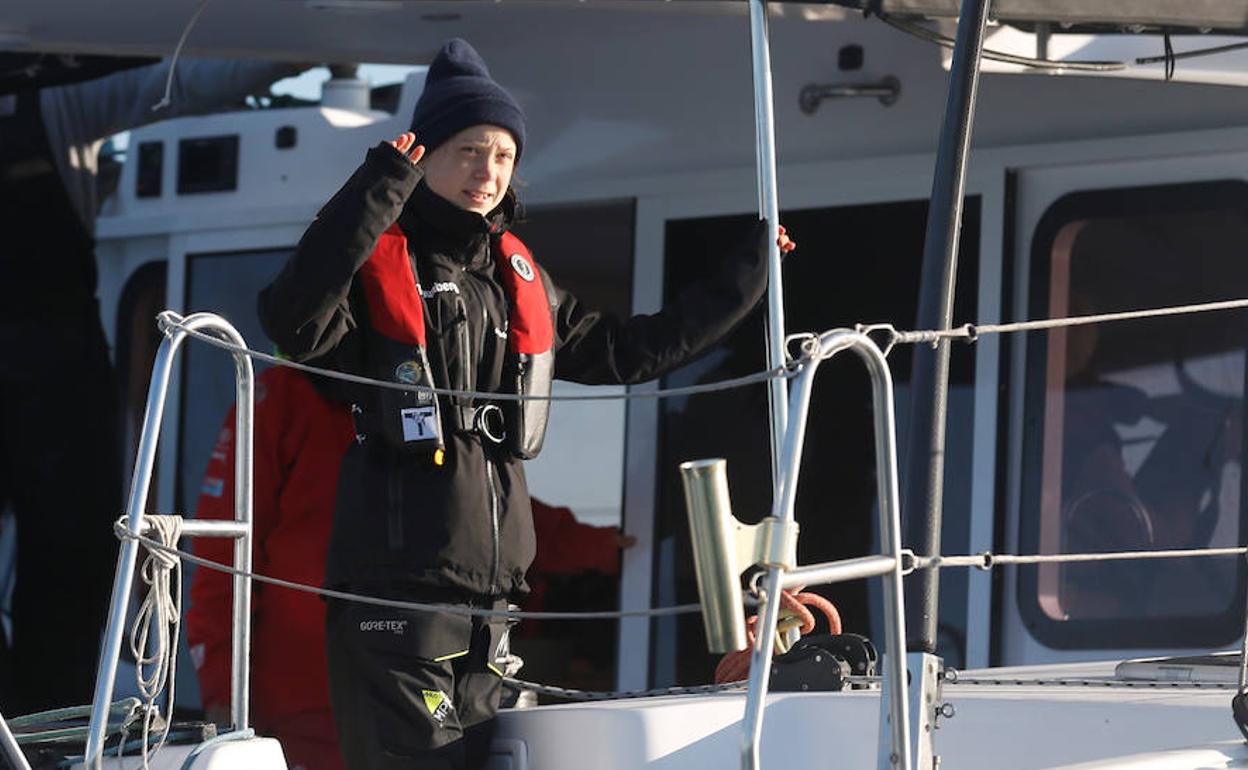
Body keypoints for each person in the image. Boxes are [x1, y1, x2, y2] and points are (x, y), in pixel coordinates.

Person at [258, 38, 794, 770]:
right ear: (423, 157)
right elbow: (292, 319)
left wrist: (748, 276)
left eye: (503, 155)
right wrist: (377, 188)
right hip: (398, 612)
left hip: (491, 614)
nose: (488, 171)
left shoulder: (517, 277)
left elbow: (629, 351)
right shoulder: (375, 263)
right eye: (469, 151)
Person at [0, 55, 307, 714]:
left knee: (73, 558)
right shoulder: (56, 95)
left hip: (55, 366)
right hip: (53, 358)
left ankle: (43, 730)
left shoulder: (52, 94)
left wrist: (289, 47)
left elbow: (177, 81)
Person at [187, 365, 354, 770]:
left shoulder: (451, 394)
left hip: (422, 700)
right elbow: (222, 558)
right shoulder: (280, 397)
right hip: (298, 718)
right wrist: (223, 697)